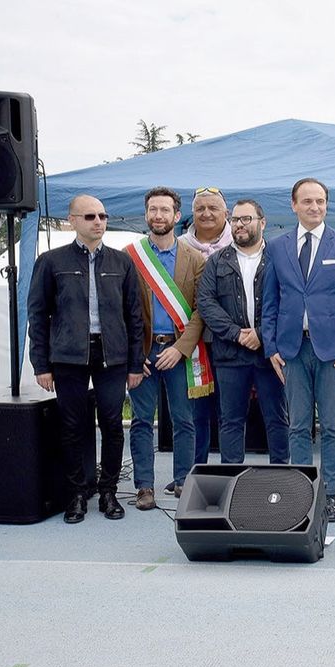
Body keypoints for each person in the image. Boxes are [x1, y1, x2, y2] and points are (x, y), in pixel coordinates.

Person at [27, 195, 144, 522]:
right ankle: (77, 493)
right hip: (68, 356)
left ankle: (108, 492)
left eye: (103, 216)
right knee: (72, 425)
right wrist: (41, 364)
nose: (98, 222)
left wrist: (135, 364)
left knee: (112, 424)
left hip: (112, 355)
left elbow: (134, 316)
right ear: (73, 220)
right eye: (90, 216)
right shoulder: (51, 262)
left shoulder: (122, 262)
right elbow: (38, 315)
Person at [261, 178, 335, 523]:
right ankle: (302, 493)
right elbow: (270, 302)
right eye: (307, 201)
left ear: (327, 204)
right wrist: (271, 347)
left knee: (333, 427)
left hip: (333, 352)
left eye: (320, 201)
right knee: (298, 426)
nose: (314, 207)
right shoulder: (277, 247)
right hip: (292, 349)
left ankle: (329, 494)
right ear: (294, 205)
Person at [125, 187, 209, 511]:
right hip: (143, 352)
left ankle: (183, 481)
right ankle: (144, 486)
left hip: (179, 351)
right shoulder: (130, 256)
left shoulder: (194, 258)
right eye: (153, 210)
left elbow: (201, 310)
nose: (158, 215)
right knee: (142, 421)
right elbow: (120, 309)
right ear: (146, 214)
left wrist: (181, 348)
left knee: (184, 420)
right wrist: (134, 354)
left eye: (165, 210)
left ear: (177, 215)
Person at [196, 198, 290, 464]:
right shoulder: (216, 262)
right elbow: (206, 302)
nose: (239, 224)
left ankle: (282, 477)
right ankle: (232, 478)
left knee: (277, 418)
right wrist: (237, 334)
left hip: (270, 353)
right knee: (230, 420)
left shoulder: (280, 259)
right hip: (230, 354)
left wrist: (261, 333)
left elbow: (289, 301)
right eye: (235, 219)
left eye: (246, 219)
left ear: (263, 222)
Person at [174, 187, 232, 484]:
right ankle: (194, 473)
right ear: (191, 213)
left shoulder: (242, 242)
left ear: (226, 213)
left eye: (213, 208)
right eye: (200, 209)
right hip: (192, 342)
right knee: (195, 413)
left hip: (231, 342)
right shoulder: (178, 246)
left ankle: (228, 474)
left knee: (229, 412)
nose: (206, 214)